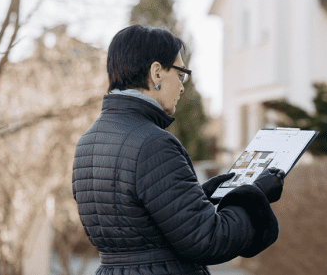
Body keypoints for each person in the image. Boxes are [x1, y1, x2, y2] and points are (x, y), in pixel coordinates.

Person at [72, 25, 286, 275]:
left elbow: (136, 221)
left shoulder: (87, 142)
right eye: (181, 74)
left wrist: (198, 196)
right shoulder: (153, 143)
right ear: (156, 73)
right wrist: (255, 195)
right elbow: (209, 239)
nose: (183, 87)